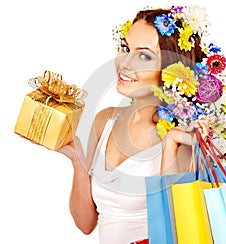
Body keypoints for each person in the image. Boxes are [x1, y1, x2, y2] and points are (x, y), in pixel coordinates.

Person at [57, 6, 211, 244]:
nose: (125, 63)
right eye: (126, 49)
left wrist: (169, 145)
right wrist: (77, 159)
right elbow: (85, 223)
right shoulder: (105, 120)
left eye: (144, 56)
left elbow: (179, 227)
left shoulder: (182, 137)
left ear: (172, 71)